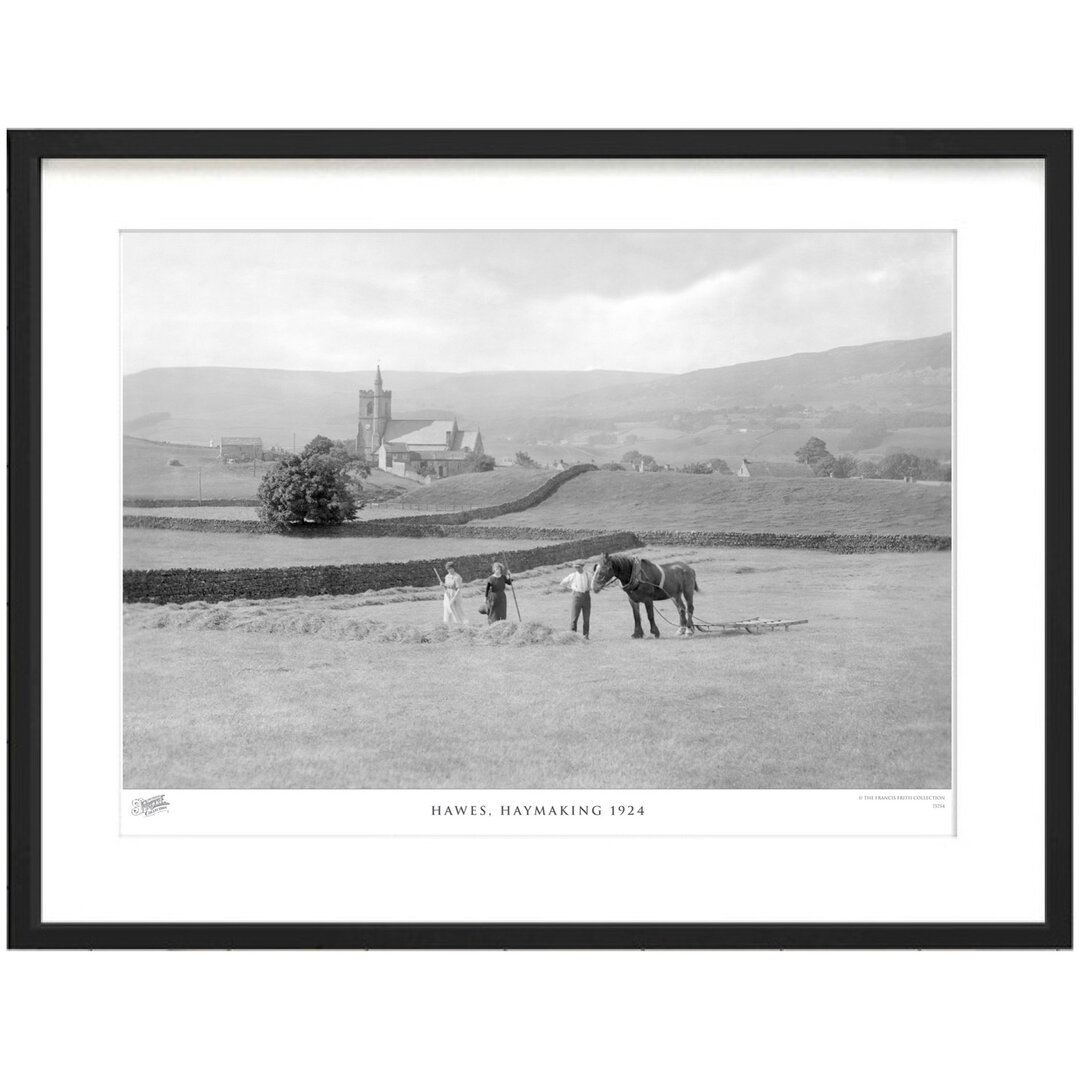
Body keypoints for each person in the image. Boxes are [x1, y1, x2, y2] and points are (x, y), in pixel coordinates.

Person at [560, 559, 593, 639]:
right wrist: (571, 588)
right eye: (576, 567)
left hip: (586, 597)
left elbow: (593, 584)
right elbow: (562, 583)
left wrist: (590, 588)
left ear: (582, 566)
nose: (577, 569)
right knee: (574, 618)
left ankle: (586, 636)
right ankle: (573, 637)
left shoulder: (588, 575)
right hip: (576, 597)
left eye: (578, 567)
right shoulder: (573, 575)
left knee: (586, 619)